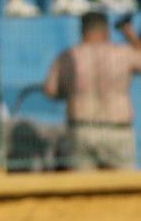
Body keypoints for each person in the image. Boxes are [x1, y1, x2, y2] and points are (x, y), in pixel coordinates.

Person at [42, 11, 141, 170]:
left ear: (82, 31)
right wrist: (130, 34)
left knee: (83, 192)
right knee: (124, 189)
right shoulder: (123, 54)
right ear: (106, 31)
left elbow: (50, 90)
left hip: (81, 130)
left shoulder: (68, 57)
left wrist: (72, 92)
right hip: (118, 130)